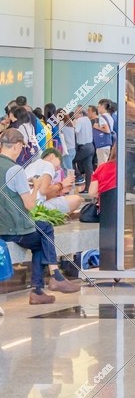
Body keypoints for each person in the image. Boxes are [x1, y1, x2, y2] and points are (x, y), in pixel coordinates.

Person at [0, 129, 80, 304]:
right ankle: (49, 281)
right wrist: (35, 186)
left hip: (2, 227)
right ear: (17, 146)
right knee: (44, 234)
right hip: (15, 229)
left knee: (43, 230)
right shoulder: (15, 170)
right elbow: (30, 205)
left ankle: (49, 282)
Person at [25, 148, 85, 216]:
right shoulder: (48, 165)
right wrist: (61, 184)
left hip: (27, 207)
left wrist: (59, 191)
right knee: (76, 199)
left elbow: (42, 195)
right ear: (52, 156)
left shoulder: (30, 166)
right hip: (38, 208)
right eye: (59, 163)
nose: (59, 167)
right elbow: (43, 190)